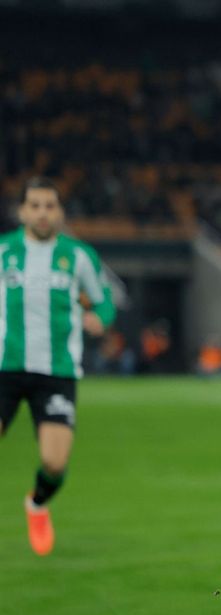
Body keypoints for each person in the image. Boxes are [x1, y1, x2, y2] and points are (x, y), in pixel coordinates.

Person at [0, 177, 115, 556]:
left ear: (60, 212)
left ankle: (36, 504)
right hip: (5, 368)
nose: (43, 213)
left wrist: (100, 317)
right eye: (35, 205)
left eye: (50, 205)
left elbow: (104, 302)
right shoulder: (4, 251)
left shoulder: (78, 256)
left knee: (54, 461)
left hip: (57, 372)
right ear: (21, 212)